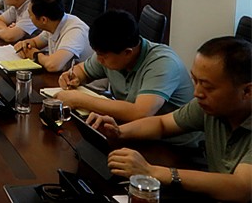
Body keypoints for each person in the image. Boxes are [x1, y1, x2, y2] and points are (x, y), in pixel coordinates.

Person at [87, 37, 251, 202]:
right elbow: (162, 124)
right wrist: (118, 131)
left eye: (207, 86)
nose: (197, 93)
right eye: (195, 81)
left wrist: (152, 172)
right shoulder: (207, 106)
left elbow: (242, 187)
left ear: (247, 91)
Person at [56, 10, 194, 124]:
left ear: (127, 52)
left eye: (102, 56)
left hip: (172, 143)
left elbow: (140, 113)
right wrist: (74, 77)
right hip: (131, 130)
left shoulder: (163, 64)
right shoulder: (111, 52)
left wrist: (80, 100)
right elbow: (82, 71)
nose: (98, 60)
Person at [13, 0, 93, 72]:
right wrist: (24, 44)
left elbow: (53, 65)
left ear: (43, 20)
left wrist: (35, 54)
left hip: (84, 79)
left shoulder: (75, 31)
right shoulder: (54, 23)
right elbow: (35, 42)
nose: (29, 17)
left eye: (30, 14)